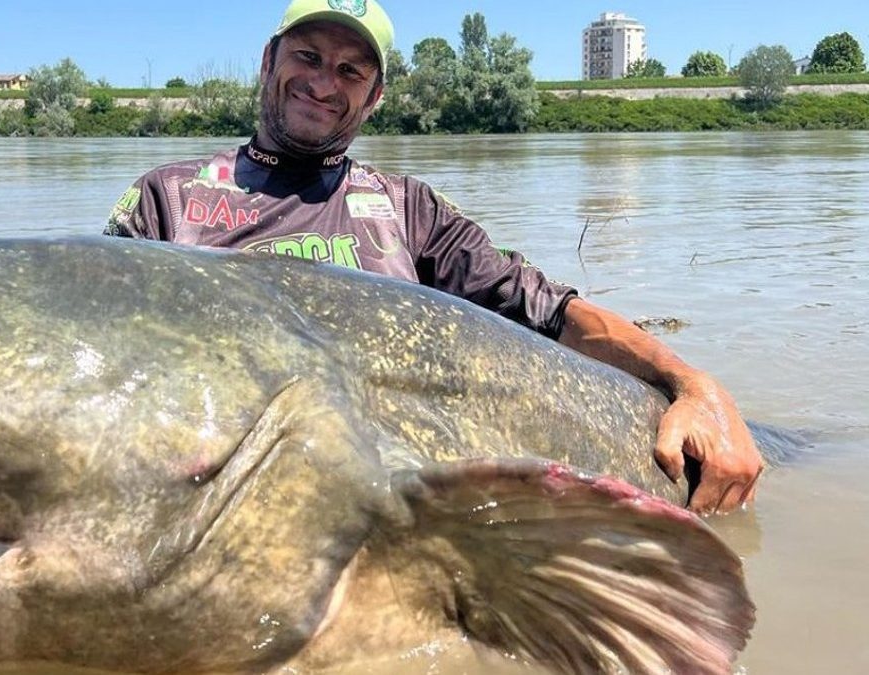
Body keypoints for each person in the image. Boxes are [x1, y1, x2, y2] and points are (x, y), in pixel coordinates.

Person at [103, 0, 764, 514]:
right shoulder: (167, 199)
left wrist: (693, 384)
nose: (323, 82)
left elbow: (551, 311)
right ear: (269, 59)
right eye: (307, 55)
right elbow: (99, 368)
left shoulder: (409, 209)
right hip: (225, 500)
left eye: (350, 70)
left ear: (376, 95)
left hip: (391, 506)